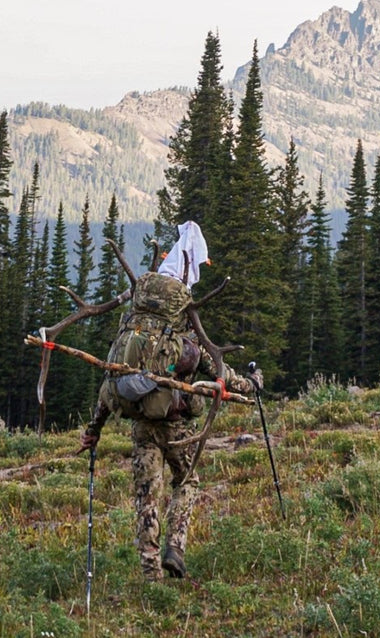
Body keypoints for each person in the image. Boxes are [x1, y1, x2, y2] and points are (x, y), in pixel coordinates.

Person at [79, 222, 263, 582]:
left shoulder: (133, 321)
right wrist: (251, 385)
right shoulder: (183, 326)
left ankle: (150, 575)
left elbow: (114, 375)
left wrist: (94, 429)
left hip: (142, 424)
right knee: (187, 482)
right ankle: (175, 548)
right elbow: (219, 370)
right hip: (176, 426)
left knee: (146, 496)